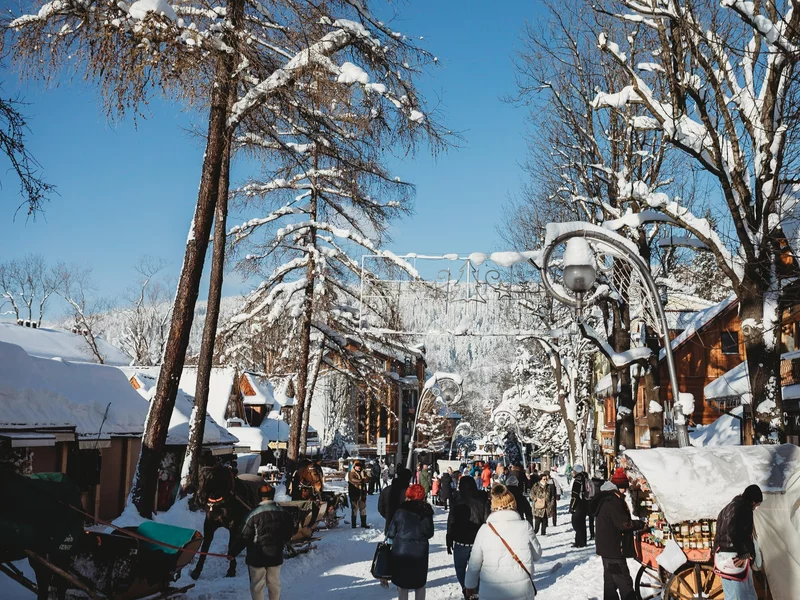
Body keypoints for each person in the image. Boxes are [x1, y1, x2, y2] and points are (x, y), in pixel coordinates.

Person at [464, 484, 542, 600]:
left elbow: (474, 563)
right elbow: (537, 555)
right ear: (513, 504)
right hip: (521, 592)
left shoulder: (485, 530)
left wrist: (469, 585)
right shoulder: (525, 527)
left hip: (491, 593)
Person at [230, 484, 296, 600]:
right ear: (273, 496)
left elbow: (243, 536)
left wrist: (232, 553)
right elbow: (291, 531)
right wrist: (281, 542)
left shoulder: (252, 515)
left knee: (257, 586)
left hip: (256, 557)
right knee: (274, 583)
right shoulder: (283, 513)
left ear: (260, 496)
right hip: (275, 555)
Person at [590, 480, 644, 600]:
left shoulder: (604, 499)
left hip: (605, 549)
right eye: (623, 488)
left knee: (610, 585)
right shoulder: (613, 501)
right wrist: (639, 524)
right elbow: (624, 524)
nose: (625, 491)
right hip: (614, 549)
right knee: (625, 584)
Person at [713, 484, 763, 600]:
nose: (756, 507)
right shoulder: (744, 507)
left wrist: (715, 554)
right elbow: (734, 530)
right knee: (743, 596)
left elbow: (718, 534)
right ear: (753, 501)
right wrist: (744, 553)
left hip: (723, 558)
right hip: (735, 557)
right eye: (757, 504)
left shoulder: (726, 509)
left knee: (732, 596)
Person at [386, 483, 435, 600]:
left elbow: (391, 532)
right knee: (420, 584)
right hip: (420, 552)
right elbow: (429, 533)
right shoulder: (426, 511)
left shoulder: (401, 510)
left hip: (402, 551)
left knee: (403, 585)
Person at [447, 476, 490, 598]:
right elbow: (487, 522)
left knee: (460, 569)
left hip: (460, 542)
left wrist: (449, 537)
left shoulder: (457, 502)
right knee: (478, 569)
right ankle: (475, 591)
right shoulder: (482, 502)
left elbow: (451, 521)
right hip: (478, 542)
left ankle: (466, 589)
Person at [379, 467, 413, 533]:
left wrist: (389, 516)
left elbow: (380, 508)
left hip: (390, 527)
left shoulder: (386, 490)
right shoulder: (409, 492)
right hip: (406, 529)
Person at [570, 464, 589, 547]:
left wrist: (572, 507)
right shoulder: (585, 478)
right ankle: (582, 541)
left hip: (578, 504)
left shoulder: (577, 481)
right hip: (585, 503)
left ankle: (580, 542)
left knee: (577, 523)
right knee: (582, 523)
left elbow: (575, 495)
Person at [348, 460, 369, 528]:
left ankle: (363, 523)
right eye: (357, 466)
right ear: (354, 466)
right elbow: (352, 480)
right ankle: (353, 524)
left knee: (363, 508)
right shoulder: (351, 473)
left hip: (362, 493)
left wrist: (367, 478)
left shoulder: (363, 472)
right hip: (354, 493)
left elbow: (368, 479)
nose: (358, 467)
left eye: (359, 466)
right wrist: (361, 481)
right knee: (354, 509)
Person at [587, 471, 604, 541]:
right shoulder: (603, 483)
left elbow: (588, 491)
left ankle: (592, 534)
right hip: (600, 502)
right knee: (599, 519)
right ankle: (600, 533)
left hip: (591, 502)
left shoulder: (590, 483)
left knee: (591, 520)